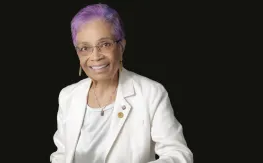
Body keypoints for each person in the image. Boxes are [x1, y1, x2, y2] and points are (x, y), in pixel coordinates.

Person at [50, 3, 193, 163]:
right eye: (85, 48)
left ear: (121, 46)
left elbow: (179, 155)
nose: (95, 56)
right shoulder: (68, 96)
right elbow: (61, 156)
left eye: (105, 44)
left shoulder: (151, 93)